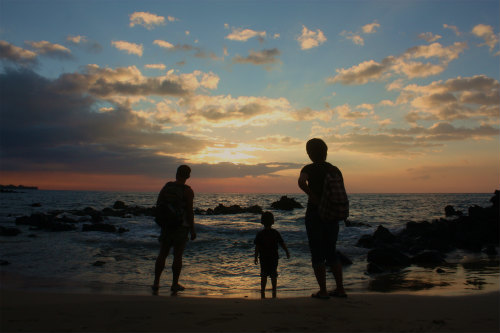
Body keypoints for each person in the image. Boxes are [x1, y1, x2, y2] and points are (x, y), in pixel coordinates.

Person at [298, 138, 347, 299]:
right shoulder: (334, 169)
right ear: (325, 152)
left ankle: (323, 291)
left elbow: (301, 182)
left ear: (309, 153)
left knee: (317, 252)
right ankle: (340, 289)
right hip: (332, 214)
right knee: (331, 251)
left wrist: (313, 196)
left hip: (315, 214)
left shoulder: (309, 168)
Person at [152, 165, 196, 294]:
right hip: (181, 226)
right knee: (177, 255)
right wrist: (193, 229)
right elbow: (189, 212)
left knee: (162, 253)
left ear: (177, 173)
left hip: (166, 225)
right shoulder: (187, 191)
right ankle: (174, 284)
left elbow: (158, 204)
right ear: (188, 176)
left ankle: (156, 283)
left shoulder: (167, 187)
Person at [254, 211, 290, 298]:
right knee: (273, 274)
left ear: (262, 221)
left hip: (263, 257)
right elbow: (282, 244)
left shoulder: (260, 234)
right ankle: (274, 290)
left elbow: (257, 247)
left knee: (264, 274)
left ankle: (262, 291)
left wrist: (255, 257)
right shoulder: (275, 233)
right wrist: (287, 252)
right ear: (273, 221)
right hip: (274, 257)